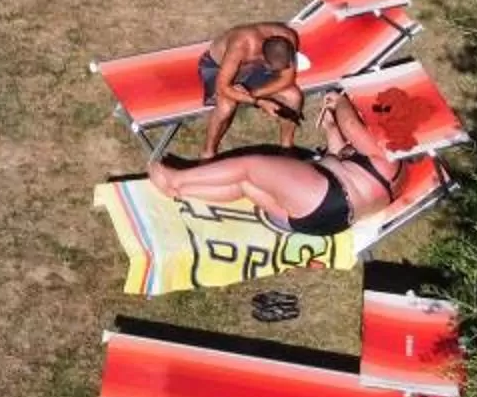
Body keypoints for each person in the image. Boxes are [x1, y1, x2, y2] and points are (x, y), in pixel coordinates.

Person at [147, 92, 403, 239]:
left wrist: (342, 100)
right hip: (322, 223)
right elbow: (340, 158)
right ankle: (180, 192)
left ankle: (177, 180)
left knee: (250, 167)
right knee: (246, 186)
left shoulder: (387, 156)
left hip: (327, 197)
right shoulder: (389, 169)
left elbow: (352, 127)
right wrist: (330, 127)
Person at [196, 19, 306, 159]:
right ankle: (208, 152)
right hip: (217, 68)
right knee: (226, 107)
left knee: (293, 96)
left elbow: (287, 79)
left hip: (252, 69)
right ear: (263, 58)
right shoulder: (241, 44)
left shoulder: (287, 38)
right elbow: (222, 88)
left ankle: (286, 146)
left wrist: (253, 95)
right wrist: (258, 102)